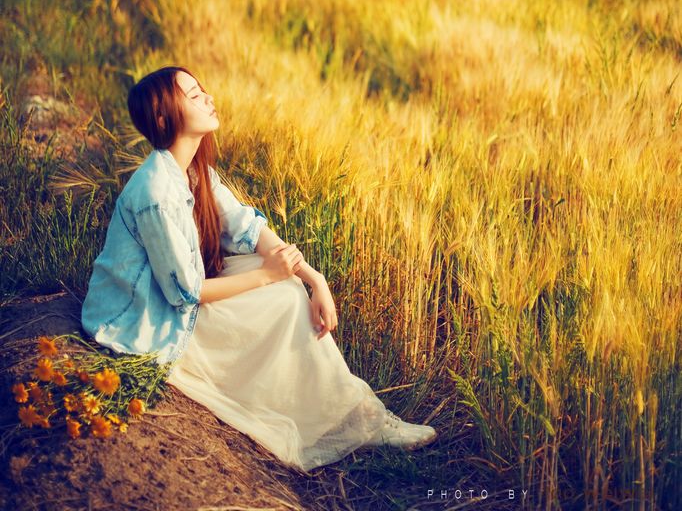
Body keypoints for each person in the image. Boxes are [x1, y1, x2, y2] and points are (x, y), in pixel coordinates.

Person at [80, 64, 437, 471]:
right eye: (194, 96)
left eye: (203, 90)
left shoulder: (196, 171)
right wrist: (270, 276)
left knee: (286, 284)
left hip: (172, 301)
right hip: (147, 321)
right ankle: (359, 420)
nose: (208, 98)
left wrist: (313, 278)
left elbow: (246, 227)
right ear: (164, 117)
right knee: (281, 294)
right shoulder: (155, 191)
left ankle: (358, 415)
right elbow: (187, 293)